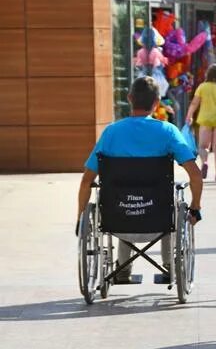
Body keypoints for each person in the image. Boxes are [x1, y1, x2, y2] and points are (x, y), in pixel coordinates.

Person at [77, 76, 203, 282]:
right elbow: (195, 175)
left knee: (123, 198)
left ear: (129, 98)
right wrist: (196, 206)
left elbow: (86, 180)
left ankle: (123, 268)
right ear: (156, 103)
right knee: (166, 201)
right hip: (158, 218)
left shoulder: (111, 133)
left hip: (118, 218)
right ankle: (169, 264)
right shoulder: (168, 131)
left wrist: (80, 218)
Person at [185, 63, 216, 181]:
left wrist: (189, 115)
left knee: (203, 146)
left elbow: (194, 103)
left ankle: (205, 162)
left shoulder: (202, 87)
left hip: (205, 118)